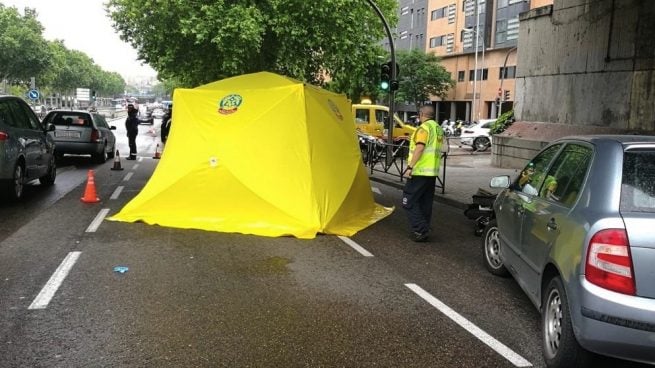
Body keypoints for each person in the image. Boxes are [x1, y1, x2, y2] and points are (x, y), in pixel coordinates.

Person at [402, 105, 445, 242]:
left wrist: (409, 167)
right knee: (425, 203)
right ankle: (424, 228)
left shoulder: (423, 128)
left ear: (421, 114)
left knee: (408, 201)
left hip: (420, 171)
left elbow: (420, 148)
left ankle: (420, 229)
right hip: (432, 173)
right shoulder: (437, 128)